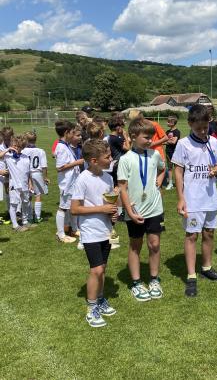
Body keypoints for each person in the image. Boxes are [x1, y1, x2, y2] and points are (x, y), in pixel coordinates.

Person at [172, 104, 217, 298]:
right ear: (190, 124)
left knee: (209, 233)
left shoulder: (213, 142)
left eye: (206, 127)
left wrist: (216, 170)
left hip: (210, 198)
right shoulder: (183, 144)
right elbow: (178, 172)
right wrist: (181, 198)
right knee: (192, 235)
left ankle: (206, 267)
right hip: (192, 199)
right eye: (199, 129)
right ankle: (191, 276)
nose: (203, 131)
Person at [71, 139, 118, 327]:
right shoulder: (82, 179)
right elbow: (74, 209)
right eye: (107, 157)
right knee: (96, 269)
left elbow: (109, 203)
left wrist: (113, 213)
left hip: (105, 230)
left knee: (103, 268)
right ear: (94, 160)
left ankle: (100, 298)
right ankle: (91, 309)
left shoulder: (108, 177)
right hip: (90, 231)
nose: (111, 159)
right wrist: (102, 209)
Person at [118, 118, 166, 302]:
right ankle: (137, 282)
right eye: (146, 137)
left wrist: (159, 180)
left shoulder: (155, 155)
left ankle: (154, 279)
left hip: (155, 208)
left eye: (151, 137)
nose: (150, 140)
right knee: (135, 245)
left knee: (154, 244)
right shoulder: (125, 159)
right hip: (135, 211)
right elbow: (122, 188)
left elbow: (162, 169)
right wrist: (129, 212)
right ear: (133, 136)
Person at [54, 120, 84, 243]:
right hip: (66, 184)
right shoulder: (61, 147)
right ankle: (61, 234)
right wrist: (77, 163)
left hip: (72, 182)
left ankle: (74, 229)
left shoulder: (65, 145)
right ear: (67, 133)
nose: (73, 134)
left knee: (73, 205)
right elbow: (60, 167)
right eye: (72, 132)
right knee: (63, 208)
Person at [0, 135, 34, 231]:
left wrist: (30, 183)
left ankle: (25, 221)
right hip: (14, 185)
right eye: (14, 145)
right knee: (14, 204)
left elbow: (28, 172)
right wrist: (8, 149)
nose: (16, 148)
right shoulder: (8, 156)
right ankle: (15, 225)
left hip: (24, 184)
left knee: (26, 202)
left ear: (22, 147)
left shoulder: (25, 157)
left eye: (19, 146)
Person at [22, 131, 49, 223]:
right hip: (37, 173)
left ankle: (29, 216)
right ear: (35, 140)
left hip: (26, 174)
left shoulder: (23, 150)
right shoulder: (41, 151)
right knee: (38, 195)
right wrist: (46, 177)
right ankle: (37, 217)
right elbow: (44, 166)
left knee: (28, 195)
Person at [107, 114, 130, 186]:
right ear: (117, 127)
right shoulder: (116, 139)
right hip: (118, 164)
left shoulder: (111, 137)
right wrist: (125, 136)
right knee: (121, 184)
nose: (122, 128)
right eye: (121, 126)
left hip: (115, 163)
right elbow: (128, 148)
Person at [0, 127, 13, 225]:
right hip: (3, 173)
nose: (7, 140)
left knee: (15, 192)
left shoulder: (15, 144)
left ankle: (15, 212)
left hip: (13, 172)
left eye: (9, 138)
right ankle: (10, 212)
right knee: (7, 191)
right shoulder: (1, 146)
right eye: (5, 138)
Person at [165, 115, 180, 191]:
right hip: (168, 152)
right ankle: (170, 183)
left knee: (177, 168)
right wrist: (169, 140)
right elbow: (163, 141)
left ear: (173, 123)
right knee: (170, 168)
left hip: (175, 152)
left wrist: (168, 141)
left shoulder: (177, 132)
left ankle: (179, 183)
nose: (167, 123)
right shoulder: (167, 132)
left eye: (168, 122)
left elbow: (174, 142)